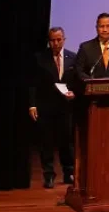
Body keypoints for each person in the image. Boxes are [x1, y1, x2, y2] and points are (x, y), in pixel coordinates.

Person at [28, 27, 76, 188]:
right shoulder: (39, 58)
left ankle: (68, 172)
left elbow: (76, 81)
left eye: (58, 39)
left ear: (64, 39)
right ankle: (48, 175)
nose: (55, 43)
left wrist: (74, 93)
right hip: (45, 106)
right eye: (52, 40)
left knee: (66, 141)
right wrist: (32, 104)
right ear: (49, 41)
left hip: (65, 107)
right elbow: (32, 84)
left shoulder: (73, 58)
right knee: (46, 142)